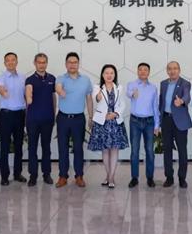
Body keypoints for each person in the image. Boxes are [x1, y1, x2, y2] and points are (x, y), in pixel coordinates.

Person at [55, 52, 94, 188]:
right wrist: (60, 91)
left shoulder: (86, 80)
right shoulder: (61, 78)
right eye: (70, 62)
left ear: (78, 64)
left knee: (78, 148)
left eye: (75, 62)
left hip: (78, 119)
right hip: (63, 118)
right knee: (62, 148)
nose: (72, 64)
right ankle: (62, 176)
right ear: (66, 64)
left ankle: (79, 176)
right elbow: (58, 87)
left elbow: (89, 99)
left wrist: (91, 117)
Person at [88, 64, 129, 188]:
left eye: (111, 73)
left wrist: (115, 114)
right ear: (102, 75)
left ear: (115, 75)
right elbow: (96, 99)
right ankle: (108, 175)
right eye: (106, 73)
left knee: (114, 150)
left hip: (115, 122)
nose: (109, 75)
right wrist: (99, 95)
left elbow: (123, 104)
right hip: (102, 122)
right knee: (105, 150)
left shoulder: (119, 88)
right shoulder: (97, 87)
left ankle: (111, 177)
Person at [159, 61, 192, 188]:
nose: (172, 71)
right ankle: (169, 177)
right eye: (170, 69)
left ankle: (182, 178)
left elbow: (187, 96)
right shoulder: (163, 84)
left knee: (182, 150)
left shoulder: (185, 83)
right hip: (166, 120)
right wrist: (159, 121)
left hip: (180, 121)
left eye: (175, 68)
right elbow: (161, 102)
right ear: (167, 71)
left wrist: (182, 101)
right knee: (167, 149)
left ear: (179, 70)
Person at [126, 62, 160, 188]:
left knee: (150, 151)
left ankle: (150, 178)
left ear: (149, 72)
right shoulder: (132, 84)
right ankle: (134, 178)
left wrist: (157, 125)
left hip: (149, 122)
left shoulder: (153, 88)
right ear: (137, 71)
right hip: (135, 121)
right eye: (140, 69)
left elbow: (155, 106)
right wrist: (132, 94)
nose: (143, 72)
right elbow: (128, 93)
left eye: (145, 69)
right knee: (135, 151)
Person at [25, 53, 56, 186]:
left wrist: (54, 114)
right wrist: (29, 98)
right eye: (39, 62)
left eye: (44, 62)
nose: (42, 65)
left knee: (46, 147)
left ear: (46, 63)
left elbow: (53, 97)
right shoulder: (30, 80)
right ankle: (33, 175)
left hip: (47, 119)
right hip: (33, 119)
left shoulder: (52, 78)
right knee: (32, 147)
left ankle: (46, 174)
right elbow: (28, 94)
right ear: (35, 63)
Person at [0, 52, 27, 186]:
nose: (10, 62)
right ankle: (4, 176)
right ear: (4, 63)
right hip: (6, 115)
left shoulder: (23, 77)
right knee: (5, 145)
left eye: (13, 60)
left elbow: (26, 94)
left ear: (16, 62)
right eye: (7, 60)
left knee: (19, 145)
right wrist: (3, 91)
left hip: (20, 114)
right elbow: (0, 88)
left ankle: (17, 173)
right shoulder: (1, 77)